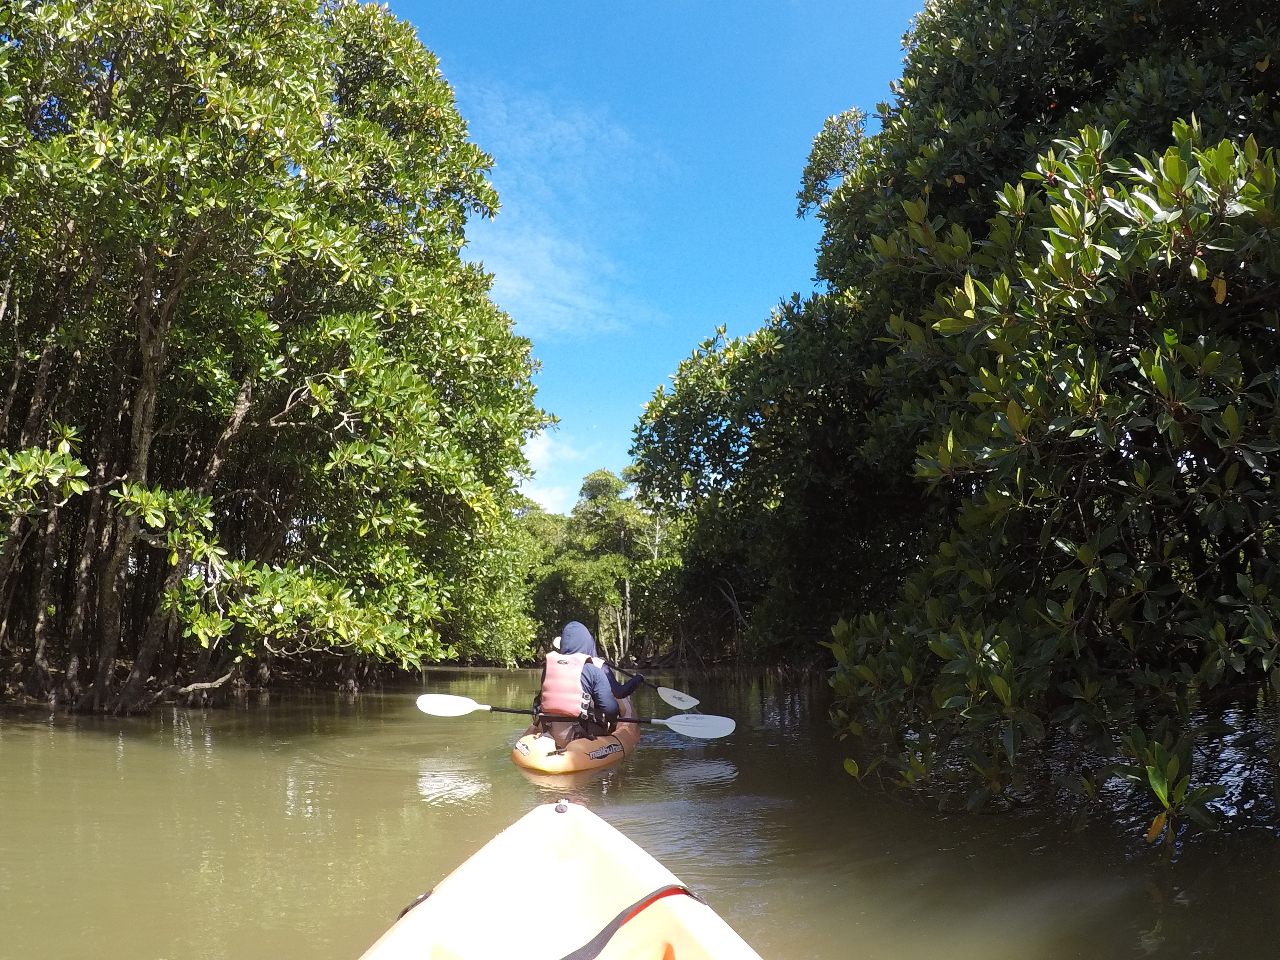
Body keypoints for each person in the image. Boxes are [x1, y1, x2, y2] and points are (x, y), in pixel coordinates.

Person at [531, 621, 643, 749]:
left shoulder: (548, 668)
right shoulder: (593, 670)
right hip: (580, 733)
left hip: (548, 729)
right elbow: (611, 710)